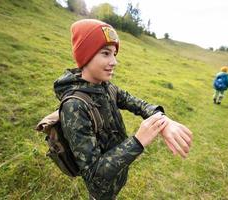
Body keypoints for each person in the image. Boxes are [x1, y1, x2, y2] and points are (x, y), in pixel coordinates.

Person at [53, 19, 193, 200]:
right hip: (101, 193)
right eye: (106, 53)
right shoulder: (75, 106)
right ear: (85, 56)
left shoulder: (106, 87)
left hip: (117, 180)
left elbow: (136, 103)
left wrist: (162, 120)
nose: (114, 62)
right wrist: (138, 140)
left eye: (114, 54)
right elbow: (94, 176)